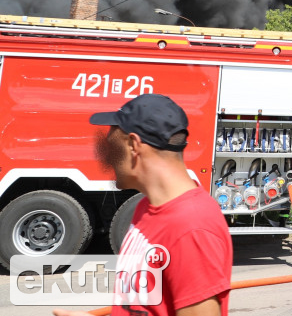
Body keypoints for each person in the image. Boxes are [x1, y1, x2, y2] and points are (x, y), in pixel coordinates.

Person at [54, 94, 233, 316]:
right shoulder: (147, 206)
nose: (106, 157)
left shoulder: (192, 227)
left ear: (133, 145)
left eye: (110, 145)